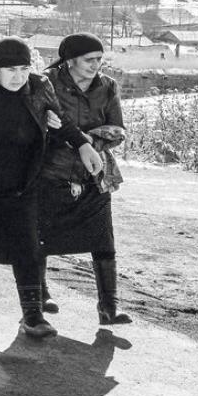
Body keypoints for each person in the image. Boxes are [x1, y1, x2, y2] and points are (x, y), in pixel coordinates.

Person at [0, 38, 103, 339]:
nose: (19, 76)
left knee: (28, 244)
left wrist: (84, 145)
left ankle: (32, 315)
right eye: (11, 70)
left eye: (23, 68)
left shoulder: (38, 86)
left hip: (22, 181)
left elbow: (61, 120)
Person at [39, 33, 132, 325]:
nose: (96, 65)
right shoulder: (46, 83)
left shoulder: (107, 87)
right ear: (70, 60)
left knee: (103, 237)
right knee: (41, 237)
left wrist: (89, 140)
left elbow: (118, 129)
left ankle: (109, 307)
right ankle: (40, 294)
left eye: (99, 60)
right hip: (51, 172)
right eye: (89, 59)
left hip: (94, 173)